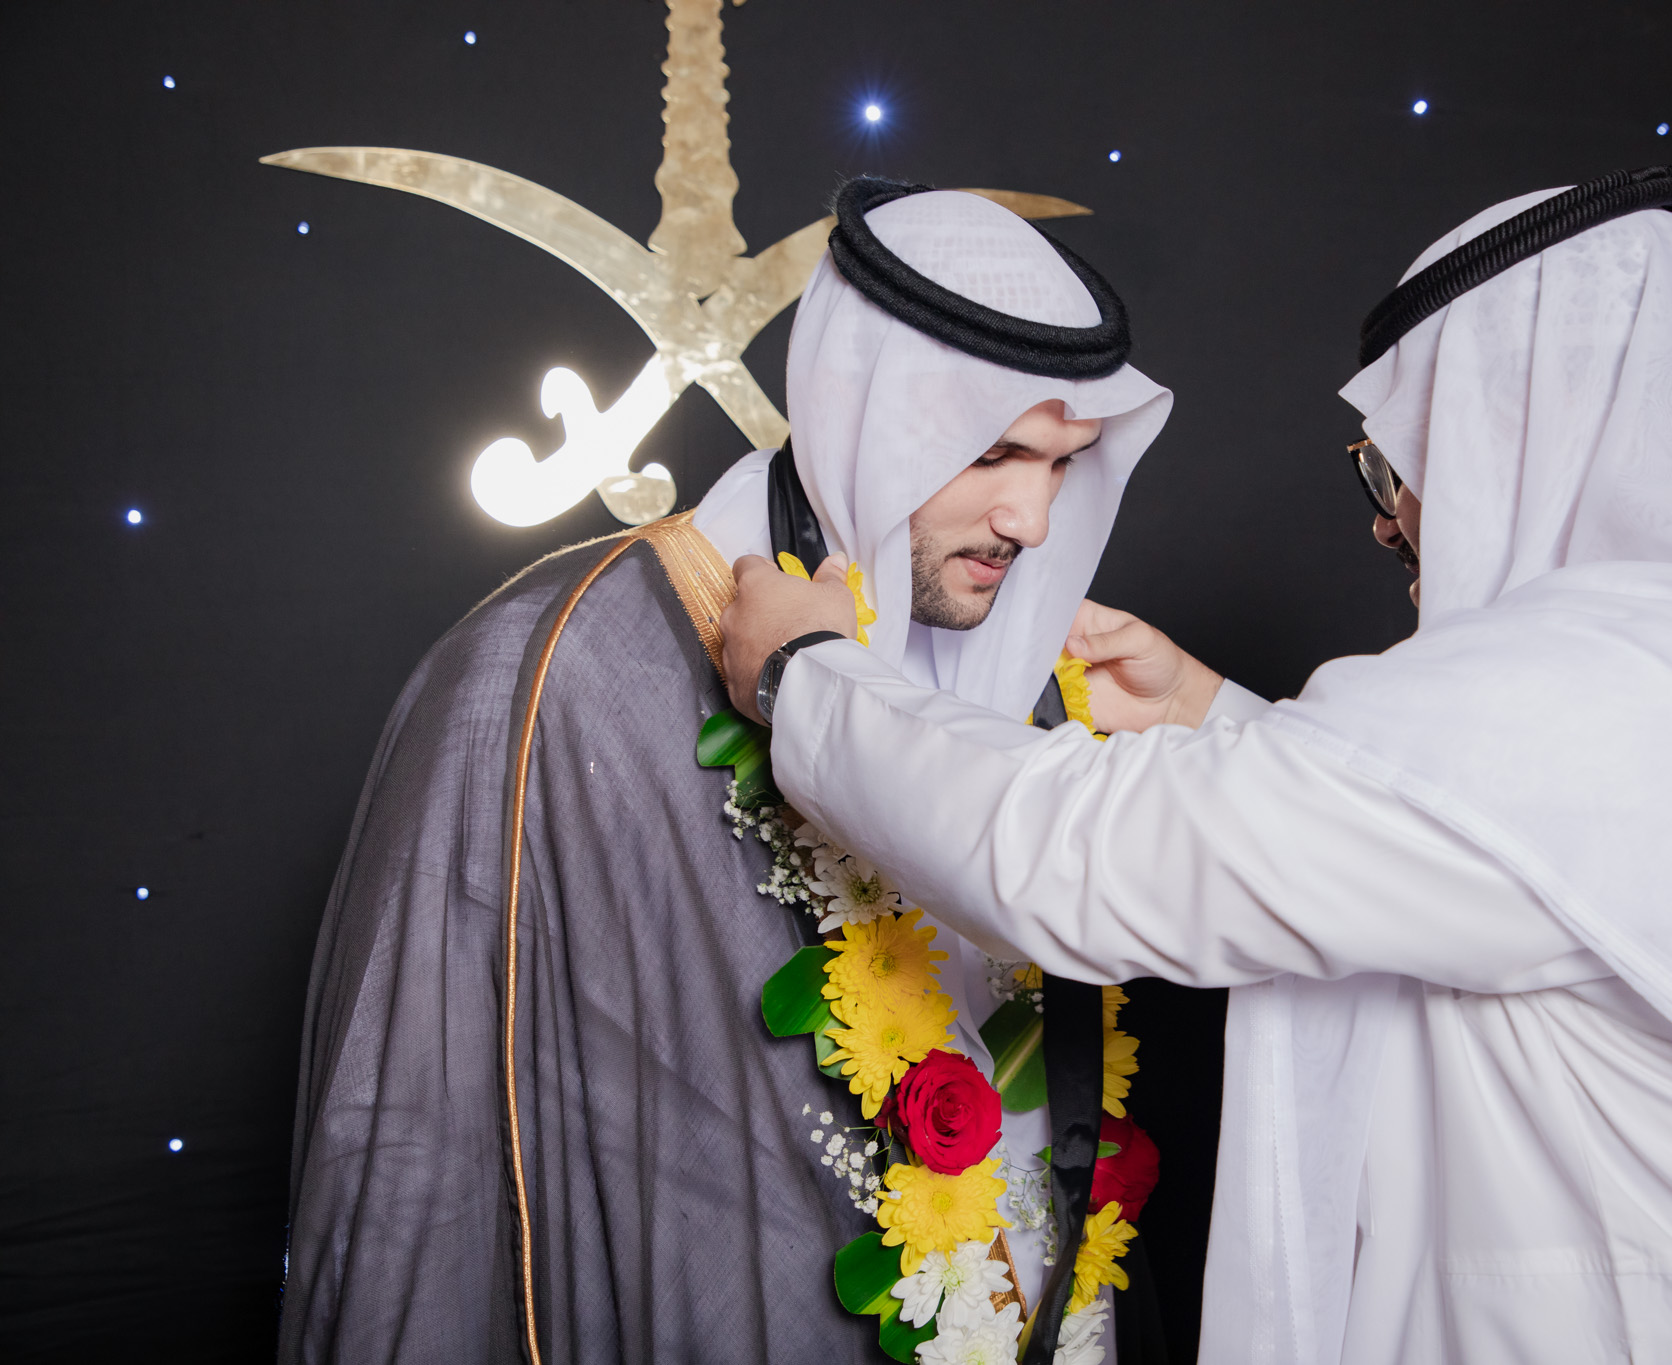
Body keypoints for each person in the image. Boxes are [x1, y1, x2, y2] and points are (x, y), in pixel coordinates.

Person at [718, 170, 1672, 1362]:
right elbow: (1525, 878)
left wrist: (806, 675)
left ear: (1526, 434)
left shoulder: (1583, 691)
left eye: (1403, 468)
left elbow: (1083, 860)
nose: (1389, 520)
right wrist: (1212, 716)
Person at [279, 181, 1171, 1363]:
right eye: (995, 452)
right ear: (861, 414)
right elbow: (412, 1150)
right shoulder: (560, 668)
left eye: (1063, 463)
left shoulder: (1058, 679)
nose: (1032, 521)